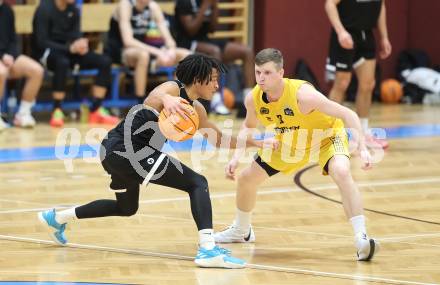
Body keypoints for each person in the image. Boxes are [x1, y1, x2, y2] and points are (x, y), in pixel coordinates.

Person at [38, 54, 277, 268]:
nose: (217, 85)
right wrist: (167, 99)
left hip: (114, 153)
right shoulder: (172, 89)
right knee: (197, 182)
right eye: (213, 79)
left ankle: (57, 218)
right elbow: (155, 95)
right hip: (128, 150)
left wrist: (255, 143)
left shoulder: (197, 111)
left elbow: (218, 139)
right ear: (198, 78)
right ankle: (207, 249)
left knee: (126, 208)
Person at [214, 48, 379, 262]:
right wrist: (236, 157)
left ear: (281, 73)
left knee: (341, 171)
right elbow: (248, 126)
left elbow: (348, 113)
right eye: (257, 72)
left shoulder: (303, 95)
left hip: (326, 137)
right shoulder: (254, 98)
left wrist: (363, 148)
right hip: (291, 141)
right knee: (246, 179)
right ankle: (242, 230)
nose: (261, 78)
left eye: (267, 73)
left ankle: (361, 238)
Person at [31, 0, 118, 127]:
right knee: (62, 62)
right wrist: (69, 48)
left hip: (69, 51)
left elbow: (75, 36)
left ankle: (95, 109)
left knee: (104, 61)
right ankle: (57, 110)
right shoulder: (44, 8)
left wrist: (81, 44)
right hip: (48, 53)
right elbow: (41, 41)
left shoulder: (74, 9)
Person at [325, 0, 392, 149]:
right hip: (345, 34)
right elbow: (329, 4)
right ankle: (330, 135)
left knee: (368, 85)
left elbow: (381, 6)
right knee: (342, 83)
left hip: (366, 35)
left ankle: (363, 134)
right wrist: (340, 31)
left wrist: (384, 36)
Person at [174, 0, 254, 115]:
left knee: (247, 52)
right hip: (186, 42)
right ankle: (216, 101)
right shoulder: (185, 2)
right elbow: (191, 30)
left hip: (206, 40)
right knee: (215, 52)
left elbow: (213, 28)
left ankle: (248, 102)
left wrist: (215, 7)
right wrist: (204, 7)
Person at [105, 0, 191, 103]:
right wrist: (158, 52)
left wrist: (170, 50)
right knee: (143, 55)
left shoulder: (152, 6)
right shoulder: (126, 4)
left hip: (147, 49)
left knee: (186, 55)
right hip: (121, 50)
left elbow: (168, 37)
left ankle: (176, 98)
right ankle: (140, 102)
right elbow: (127, 41)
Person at [0, 0, 44, 131]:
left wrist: (11, 56)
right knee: (1, 72)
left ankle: (23, 114)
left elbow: (13, 40)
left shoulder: (7, 10)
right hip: (2, 58)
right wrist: (2, 56)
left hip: (7, 57)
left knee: (36, 70)